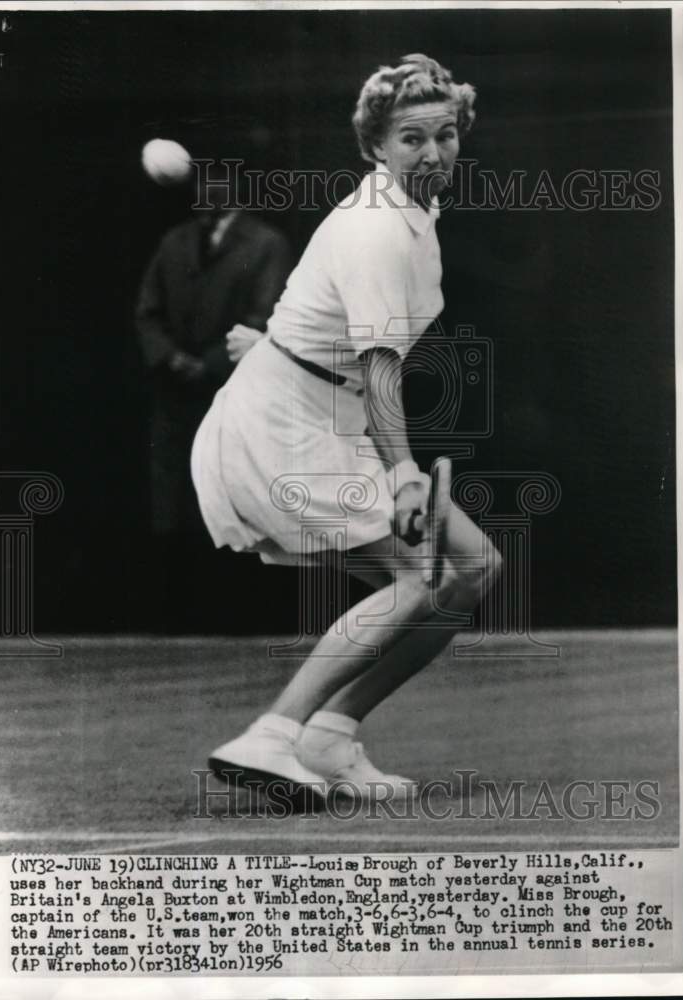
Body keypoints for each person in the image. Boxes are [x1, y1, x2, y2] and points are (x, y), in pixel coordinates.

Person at [191, 54, 502, 804]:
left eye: (447, 135)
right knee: (419, 576)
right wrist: (402, 476)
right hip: (286, 429)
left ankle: (332, 734)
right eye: (410, 139)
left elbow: (330, 324)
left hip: (322, 409)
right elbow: (381, 364)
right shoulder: (378, 230)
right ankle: (274, 735)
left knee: (478, 567)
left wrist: (272, 346)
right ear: (375, 147)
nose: (433, 154)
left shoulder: (412, 211)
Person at [135, 163, 292, 539]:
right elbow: (147, 311)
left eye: (219, 179)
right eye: (203, 180)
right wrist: (171, 357)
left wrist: (209, 364)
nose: (208, 188)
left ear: (238, 186)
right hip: (174, 395)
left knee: (230, 500)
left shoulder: (266, 244)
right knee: (172, 502)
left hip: (231, 392)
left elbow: (266, 315)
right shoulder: (175, 241)